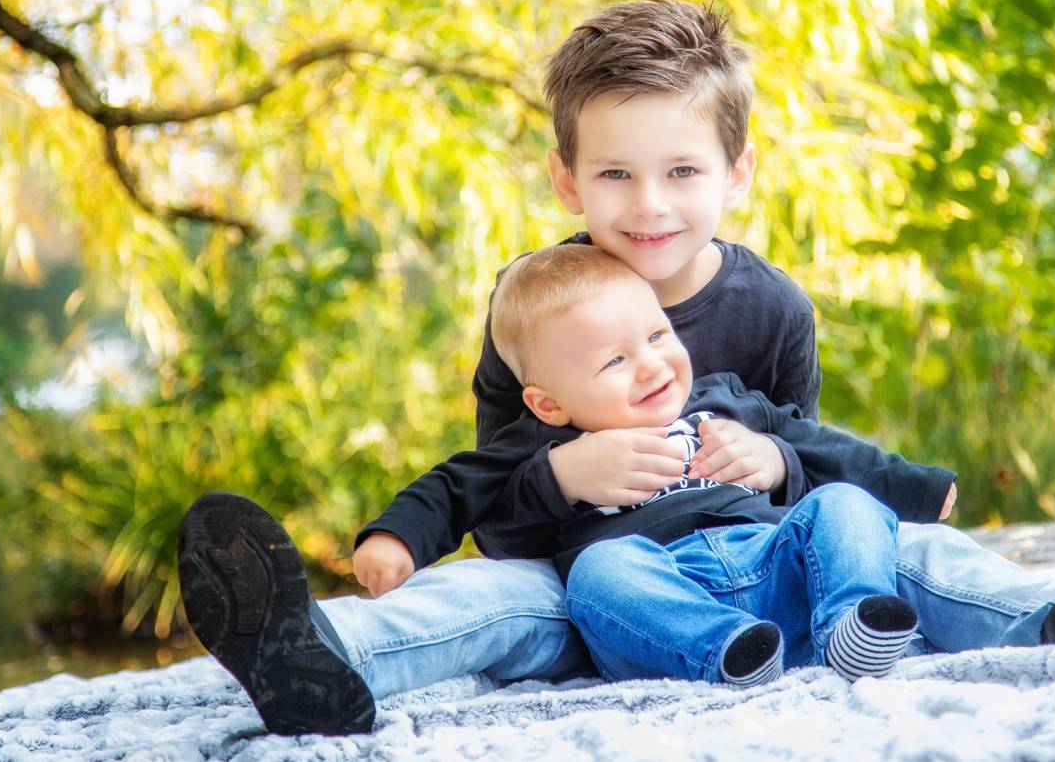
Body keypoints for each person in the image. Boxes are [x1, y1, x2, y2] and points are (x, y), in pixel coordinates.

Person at [177, 0, 1055, 736]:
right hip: (594, 581)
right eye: (615, 175)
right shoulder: (539, 307)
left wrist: (779, 458)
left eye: (680, 170)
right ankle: (319, 659)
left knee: (911, 549)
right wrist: (567, 478)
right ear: (564, 181)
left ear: (733, 173)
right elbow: (493, 500)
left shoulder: (768, 303)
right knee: (481, 599)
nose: (648, 204)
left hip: (761, 565)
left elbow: (803, 472)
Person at [368, 242, 957, 685]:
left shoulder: (725, 400)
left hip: (771, 561)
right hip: (660, 595)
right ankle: (724, 651)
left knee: (846, 503)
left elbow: (824, 448)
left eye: (656, 335)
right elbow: (453, 487)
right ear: (549, 402)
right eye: (614, 361)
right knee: (600, 570)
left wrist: (918, 489)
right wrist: (397, 538)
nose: (651, 366)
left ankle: (852, 621)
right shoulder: (543, 442)